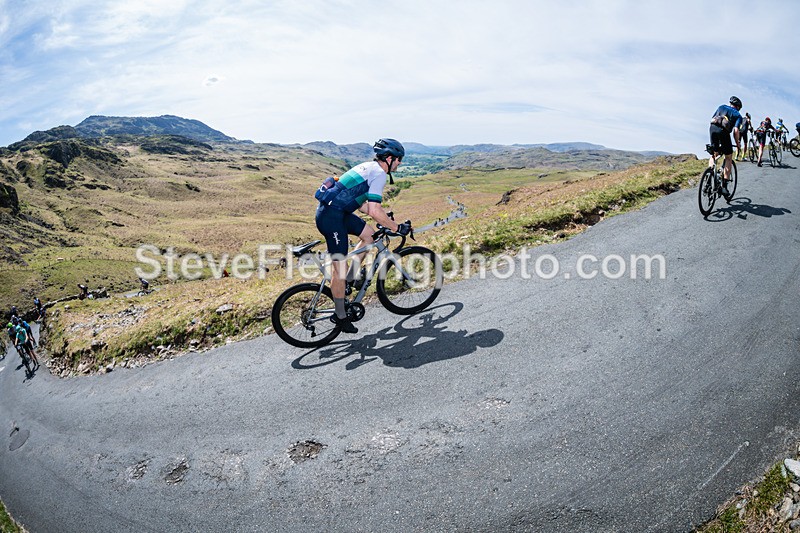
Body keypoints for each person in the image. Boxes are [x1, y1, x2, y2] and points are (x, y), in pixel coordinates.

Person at [314, 138, 411, 333]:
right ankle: (340, 316)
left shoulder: (368, 167)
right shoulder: (379, 174)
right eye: (399, 159)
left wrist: (385, 219)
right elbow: (374, 211)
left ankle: (350, 280)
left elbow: (361, 204)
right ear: (389, 158)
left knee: (370, 236)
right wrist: (396, 227)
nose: (400, 163)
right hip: (331, 218)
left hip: (338, 212)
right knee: (339, 270)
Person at [709, 96, 743, 196]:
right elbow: (736, 131)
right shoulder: (738, 115)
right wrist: (738, 144)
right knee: (728, 157)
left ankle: (710, 176)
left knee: (714, 154)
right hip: (723, 132)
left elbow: (713, 119)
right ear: (738, 107)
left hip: (712, 128)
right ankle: (724, 187)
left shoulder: (721, 107)